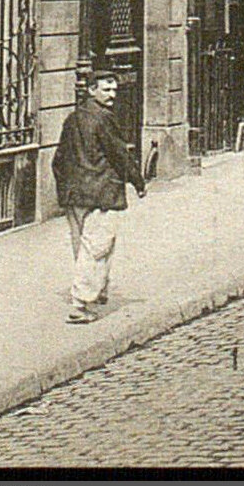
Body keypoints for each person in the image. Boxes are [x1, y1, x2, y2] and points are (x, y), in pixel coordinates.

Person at [52, 71, 146, 323]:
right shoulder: (103, 119)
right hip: (100, 193)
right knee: (97, 248)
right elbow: (120, 155)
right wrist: (137, 180)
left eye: (114, 89)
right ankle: (80, 305)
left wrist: (65, 187)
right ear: (91, 90)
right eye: (106, 89)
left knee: (83, 246)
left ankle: (99, 290)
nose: (113, 94)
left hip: (74, 195)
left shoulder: (72, 119)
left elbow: (58, 159)